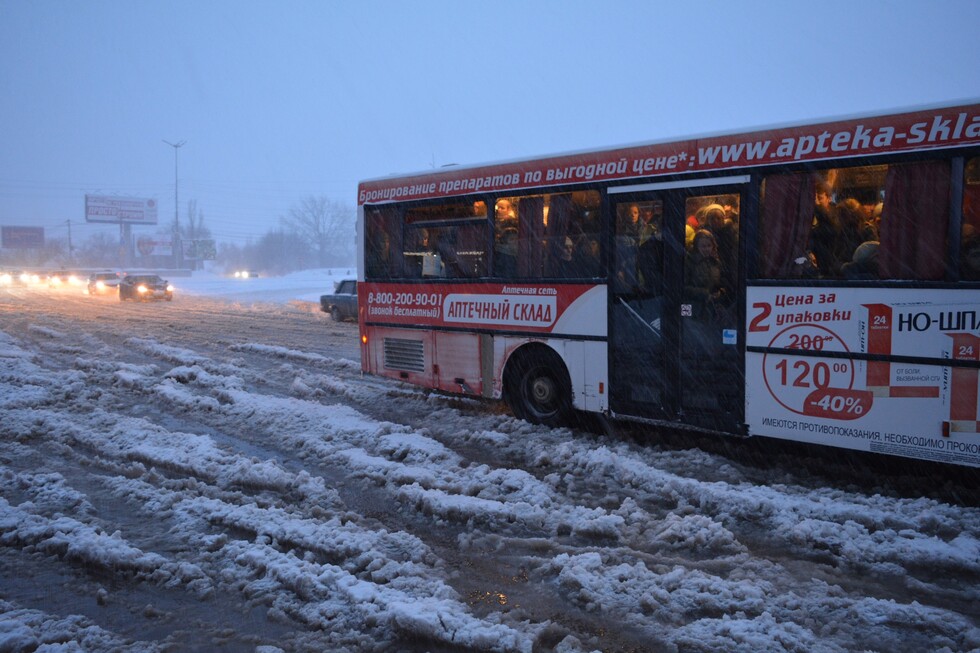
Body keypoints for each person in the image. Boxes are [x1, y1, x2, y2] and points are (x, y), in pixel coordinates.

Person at [684, 229, 727, 318]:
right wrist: (705, 294)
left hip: (710, 309)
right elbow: (683, 287)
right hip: (691, 307)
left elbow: (722, 282)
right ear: (696, 247)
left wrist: (720, 292)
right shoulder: (689, 261)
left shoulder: (715, 262)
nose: (707, 249)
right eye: (703, 246)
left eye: (709, 245)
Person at [810, 181, 842, 276]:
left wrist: (817, 207)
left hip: (830, 261)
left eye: (820, 198)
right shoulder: (813, 213)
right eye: (816, 199)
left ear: (829, 198)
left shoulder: (836, 213)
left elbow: (829, 229)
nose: (818, 202)